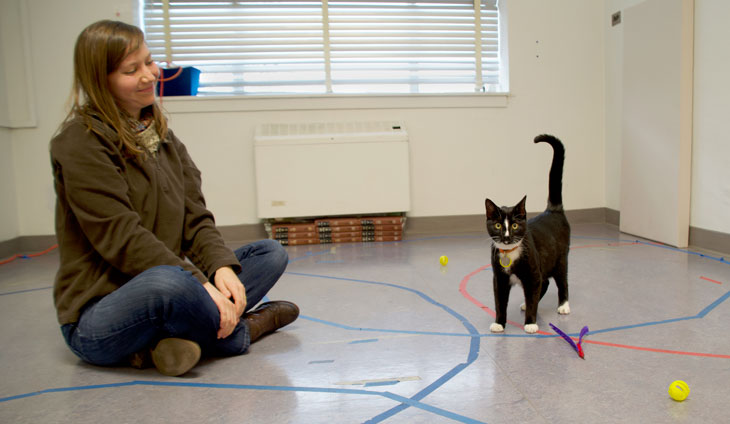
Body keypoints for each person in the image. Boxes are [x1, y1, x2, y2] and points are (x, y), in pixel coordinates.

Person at [50, 20, 298, 377]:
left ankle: (161, 345)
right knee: (169, 282)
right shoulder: (80, 141)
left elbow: (196, 218)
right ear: (99, 80)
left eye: (149, 62)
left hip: (173, 288)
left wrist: (219, 269)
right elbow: (122, 238)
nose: (150, 75)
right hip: (99, 315)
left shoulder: (162, 135)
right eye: (130, 70)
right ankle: (245, 330)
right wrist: (200, 284)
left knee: (269, 254)